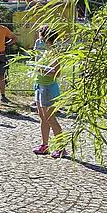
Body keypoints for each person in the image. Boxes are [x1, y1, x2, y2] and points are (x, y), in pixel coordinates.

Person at [32, 30, 67, 158]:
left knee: (51, 118)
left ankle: (61, 148)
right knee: (43, 117)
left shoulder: (54, 53)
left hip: (48, 88)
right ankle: (45, 145)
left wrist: (41, 69)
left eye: (41, 36)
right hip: (39, 85)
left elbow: (57, 73)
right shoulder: (46, 51)